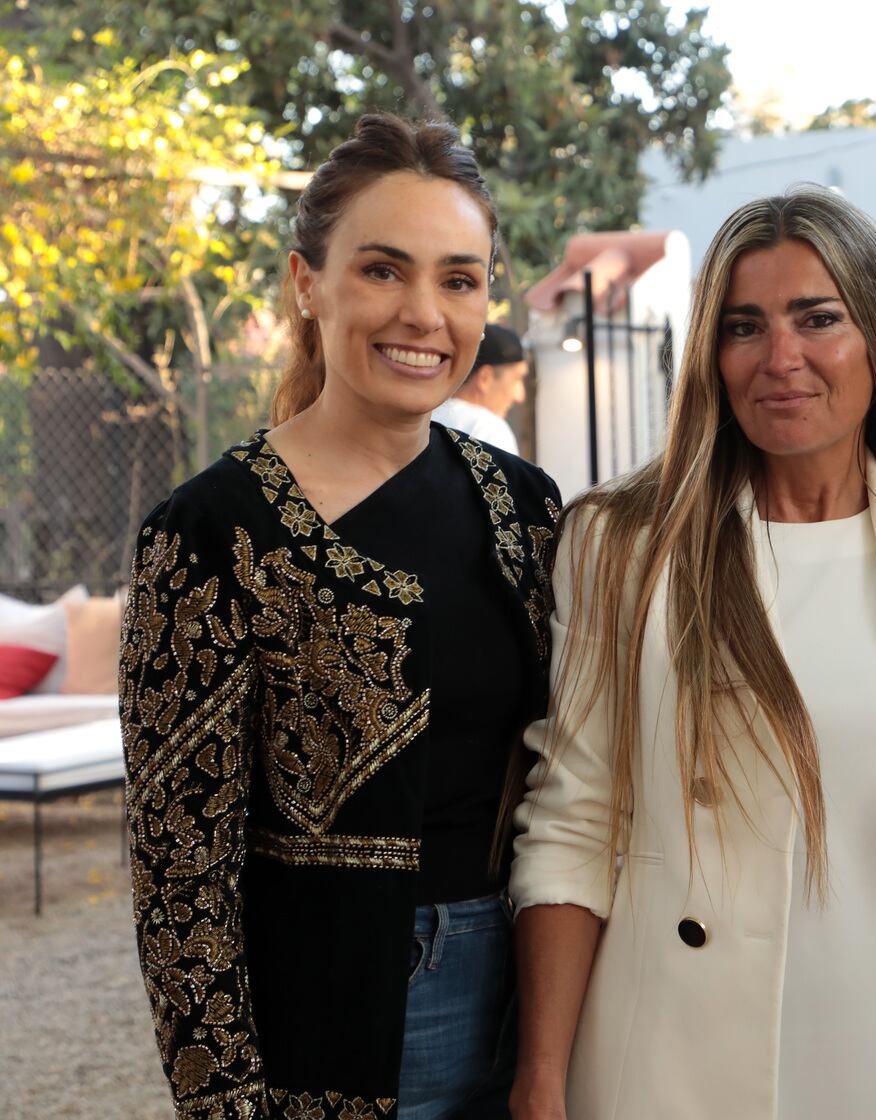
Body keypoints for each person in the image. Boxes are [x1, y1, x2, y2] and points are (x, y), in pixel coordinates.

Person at [507, 187, 876, 1120]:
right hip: (673, 1057)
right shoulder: (626, 544)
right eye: (745, 327)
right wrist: (540, 1076)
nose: (782, 358)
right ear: (711, 355)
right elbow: (574, 821)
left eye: (819, 319)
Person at [119, 113, 563, 1120]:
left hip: (534, 1000)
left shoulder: (527, 508)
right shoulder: (207, 533)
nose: (424, 313)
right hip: (327, 1019)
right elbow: (180, 871)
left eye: (459, 279)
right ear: (306, 281)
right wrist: (223, 1102)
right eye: (381, 270)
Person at [434, 323, 528, 455]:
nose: (520, 396)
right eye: (517, 379)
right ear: (485, 378)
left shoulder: (425, 419)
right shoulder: (488, 428)